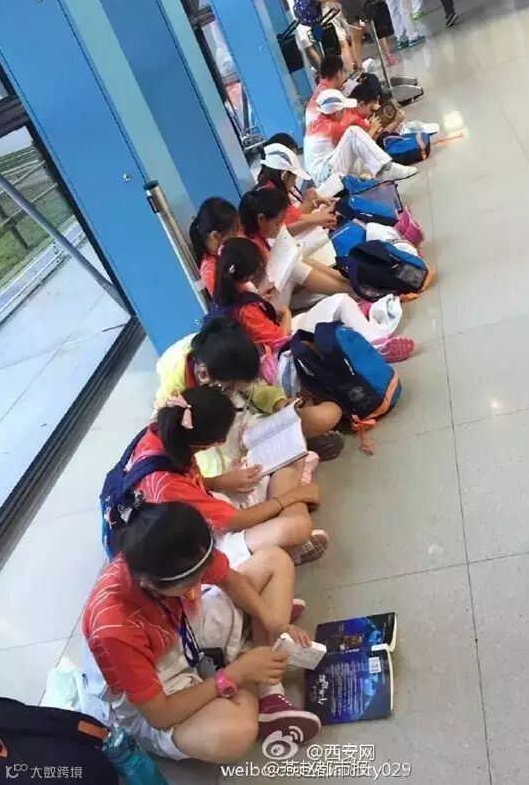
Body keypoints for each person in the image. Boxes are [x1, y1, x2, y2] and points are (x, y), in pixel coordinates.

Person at [83, 502, 321, 762]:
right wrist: (236, 673)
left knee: (275, 560)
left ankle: (266, 687)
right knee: (235, 733)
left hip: (185, 625)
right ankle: (249, 657)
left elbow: (229, 579)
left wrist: (272, 622)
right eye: (190, 583)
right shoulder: (115, 627)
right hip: (160, 682)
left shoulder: (180, 543)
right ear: (150, 584)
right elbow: (160, 715)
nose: (198, 584)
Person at [130, 385, 328, 566]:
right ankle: (285, 537)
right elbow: (238, 520)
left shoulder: (162, 434)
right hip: (198, 548)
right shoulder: (168, 484)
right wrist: (292, 497)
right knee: (296, 527)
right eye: (219, 440)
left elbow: (190, 484)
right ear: (200, 442)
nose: (223, 441)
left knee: (290, 457)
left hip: (206, 508)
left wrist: (218, 481)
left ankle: (286, 517)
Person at [153, 316, 345, 465]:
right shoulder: (174, 388)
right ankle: (294, 448)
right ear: (203, 375)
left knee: (330, 412)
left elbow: (255, 389)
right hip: (222, 442)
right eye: (230, 388)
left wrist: (279, 403)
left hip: (249, 423)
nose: (232, 391)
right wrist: (219, 477)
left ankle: (292, 447)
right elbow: (178, 438)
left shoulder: (224, 358)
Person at [212, 237, 414, 362]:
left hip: (277, 336)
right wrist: (286, 313)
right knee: (341, 302)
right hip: (284, 351)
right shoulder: (246, 310)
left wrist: (260, 301)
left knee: (339, 306)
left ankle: (375, 337)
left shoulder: (227, 296)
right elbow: (280, 340)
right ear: (247, 275)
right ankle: (377, 344)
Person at [239, 186, 350, 304]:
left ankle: (347, 280)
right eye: (277, 223)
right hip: (264, 301)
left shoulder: (256, 232)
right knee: (294, 267)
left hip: (272, 289)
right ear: (261, 219)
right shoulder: (247, 248)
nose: (279, 227)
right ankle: (350, 290)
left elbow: (287, 229)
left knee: (296, 259)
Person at [304, 88, 417, 185]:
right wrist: (373, 129)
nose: (344, 112)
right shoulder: (331, 127)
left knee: (363, 158)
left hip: (326, 171)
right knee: (353, 132)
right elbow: (359, 141)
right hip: (326, 176)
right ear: (335, 112)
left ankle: (382, 172)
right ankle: (388, 169)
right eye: (342, 110)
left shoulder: (318, 123)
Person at [258, 138, 338, 239]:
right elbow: (283, 231)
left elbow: (295, 216)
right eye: (293, 179)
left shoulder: (274, 189)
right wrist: (318, 218)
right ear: (284, 175)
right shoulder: (269, 195)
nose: (295, 182)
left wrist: (318, 207)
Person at [348, 78, 439, 138]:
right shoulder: (354, 121)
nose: (370, 112)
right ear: (361, 105)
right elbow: (374, 143)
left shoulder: (351, 112)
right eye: (370, 108)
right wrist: (374, 128)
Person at [190, 196, 239, 297]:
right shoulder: (210, 271)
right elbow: (229, 303)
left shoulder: (221, 255)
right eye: (233, 235)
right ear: (215, 236)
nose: (237, 239)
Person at [306, 54, 347, 125]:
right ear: (338, 73)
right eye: (343, 72)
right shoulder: (331, 94)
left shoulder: (321, 87)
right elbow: (343, 121)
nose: (344, 76)